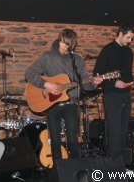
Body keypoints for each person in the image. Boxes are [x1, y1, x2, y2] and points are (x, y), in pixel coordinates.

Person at [25, 28, 103, 166]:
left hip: (71, 103)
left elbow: (84, 83)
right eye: (62, 42)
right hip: (51, 104)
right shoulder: (47, 56)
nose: (63, 46)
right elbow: (30, 73)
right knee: (55, 140)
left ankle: (75, 170)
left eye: (67, 44)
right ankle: (58, 173)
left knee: (73, 139)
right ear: (59, 39)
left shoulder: (77, 60)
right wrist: (46, 84)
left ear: (73, 44)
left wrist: (95, 84)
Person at [93, 23, 134, 168]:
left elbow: (128, 75)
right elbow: (97, 75)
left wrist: (133, 83)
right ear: (120, 34)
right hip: (112, 95)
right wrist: (113, 84)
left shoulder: (129, 52)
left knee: (124, 129)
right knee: (114, 130)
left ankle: (121, 164)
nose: (130, 41)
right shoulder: (107, 50)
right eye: (128, 37)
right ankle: (114, 166)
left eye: (132, 38)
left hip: (126, 94)